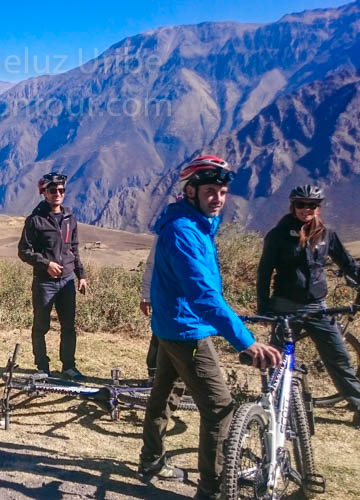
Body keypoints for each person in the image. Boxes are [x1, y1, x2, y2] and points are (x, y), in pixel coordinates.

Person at [138, 155, 281, 500]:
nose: (217, 197)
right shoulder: (184, 232)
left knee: (163, 396)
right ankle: (212, 489)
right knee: (220, 409)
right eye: (210, 191)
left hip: (172, 325)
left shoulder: (194, 225)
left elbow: (202, 293)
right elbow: (203, 295)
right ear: (191, 192)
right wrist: (245, 342)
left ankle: (151, 460)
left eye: (222, 191)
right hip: (187, 330)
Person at [257, 184, 360, 424]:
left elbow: (347, 264)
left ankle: (357, 405)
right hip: (284, 306)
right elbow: (264, 273)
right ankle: (275, 406)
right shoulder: (278, 234)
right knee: (279, 359)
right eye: (301, 204)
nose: (306, 209)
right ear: (293, 206)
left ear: (318, 208)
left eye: (312, 205)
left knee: (338, 357)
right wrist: (264, 307)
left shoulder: (326, 234)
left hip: (317, 307)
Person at [18, 172, 89, 381]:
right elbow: (23, 251)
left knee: (69, 325)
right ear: (44, 193)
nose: (57, 194)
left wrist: (81, 275)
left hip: (67, 281)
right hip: (44, 282)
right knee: (41, 325)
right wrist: (45, 263)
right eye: (52, 190)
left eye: (61, 190)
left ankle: (68, 366)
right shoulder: (35, 220)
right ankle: (42, 366)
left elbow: (73, 249)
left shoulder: (70, 218)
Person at [139, 240, 159, 383]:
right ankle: (153, 373)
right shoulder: (167, 230)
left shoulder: (205, 230)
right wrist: (146, 297)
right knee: (159, 337)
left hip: (191, 302)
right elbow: (152, 265)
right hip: (165, 299)